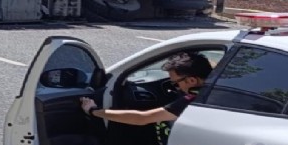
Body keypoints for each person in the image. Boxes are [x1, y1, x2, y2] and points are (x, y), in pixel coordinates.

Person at [80, 52, 213, 125]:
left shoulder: (193, 99)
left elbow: (141, 118)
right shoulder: (216, 90)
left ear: (191, 80)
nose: (177, 88)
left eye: (176, 83)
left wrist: (93, 111)